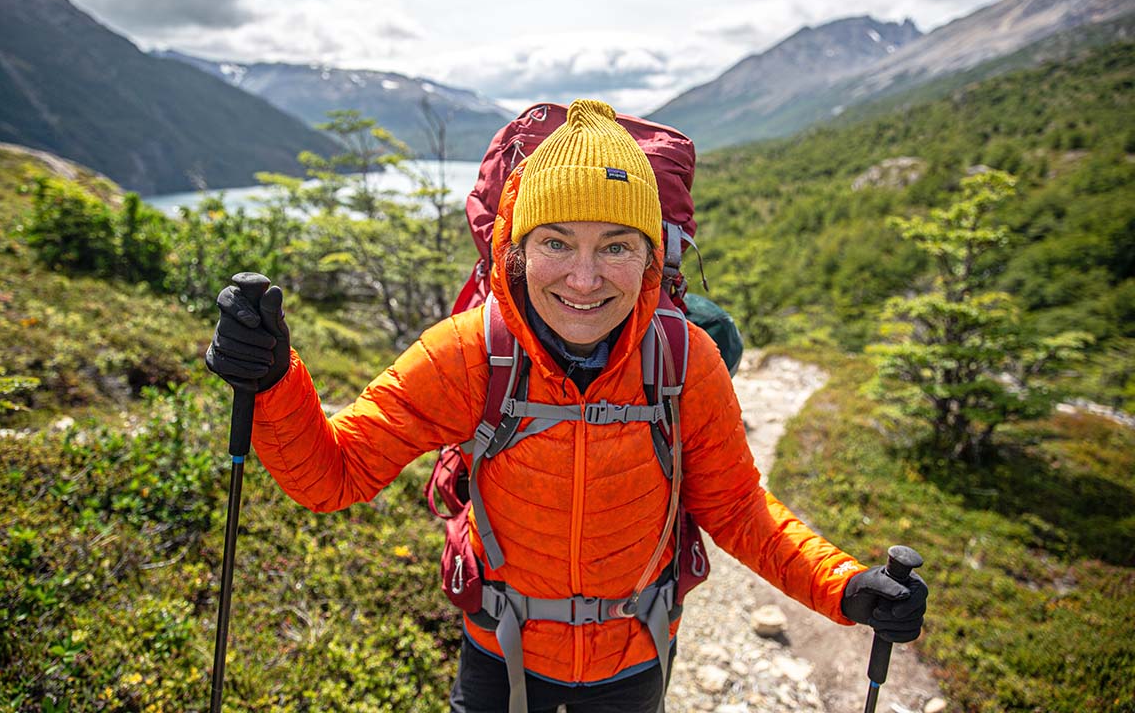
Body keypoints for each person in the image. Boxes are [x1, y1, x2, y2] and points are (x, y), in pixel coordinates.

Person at [206, 99, 927, 713]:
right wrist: (273, 381)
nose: (585, 279)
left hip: (634, 654)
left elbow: (736, 510)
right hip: (498, 645)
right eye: (556, 242)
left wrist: (846, 586)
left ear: (652, 258)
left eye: (616, 246)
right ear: (515, 250)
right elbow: (333, 476)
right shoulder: (469, 352)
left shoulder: (682, 360)